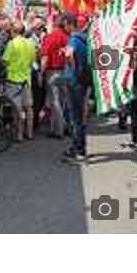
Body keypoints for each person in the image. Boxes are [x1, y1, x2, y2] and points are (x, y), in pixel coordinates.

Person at [61, 14, 90, 163]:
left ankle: (79, 151)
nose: (63, 28)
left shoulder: (73, 38)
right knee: (76, 116)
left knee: (75, 118)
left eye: (64, 25)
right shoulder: (84, 38)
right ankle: (77, 146)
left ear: (68, 24)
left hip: (74, 82)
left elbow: (70, 54)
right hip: (82, 81)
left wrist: (72, 67)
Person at [2, 20, 36, 141]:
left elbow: (5, 61)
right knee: (28, 108)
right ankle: (30, 133)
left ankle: (19, 135)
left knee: (17, 109)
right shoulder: (30, 43)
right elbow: (32, 62)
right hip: (27, 80)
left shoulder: (12, 44)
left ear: (13, 31)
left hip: (13, 80)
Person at [40, 13, 70, 139]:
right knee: (61, 101)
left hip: (52, 72)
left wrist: (41, 73)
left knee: (55, 102)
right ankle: (55, 128)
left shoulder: (49, 37)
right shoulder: (67, 37)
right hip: (64, 71)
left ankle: (60, 129)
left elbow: (45, 57)